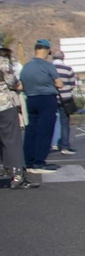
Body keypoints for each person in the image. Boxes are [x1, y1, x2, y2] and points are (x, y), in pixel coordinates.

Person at [22, 40, 65, 173]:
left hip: (31, 99)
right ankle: (39, 162)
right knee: (45, 131)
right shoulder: (48, 66)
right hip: (46, 99)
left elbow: (22, 84)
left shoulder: (26, 67)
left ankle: (28, 161)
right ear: (46, 50)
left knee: (31, 131)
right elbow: (59, 84)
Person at [0, 46, 33, 189]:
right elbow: (12, 82)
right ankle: (17, 175)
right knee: (11, 140)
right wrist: (20, 86)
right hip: (4, 105)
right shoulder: (3, 62)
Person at [52, 48, 77, 156]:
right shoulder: (68, 69)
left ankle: (53, 143)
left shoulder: (49, 67)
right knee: (65, 122)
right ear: (63, 58)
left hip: (51, 97)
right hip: (65, 98)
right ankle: (65, 145)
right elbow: (72, 84)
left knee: (51, 121)